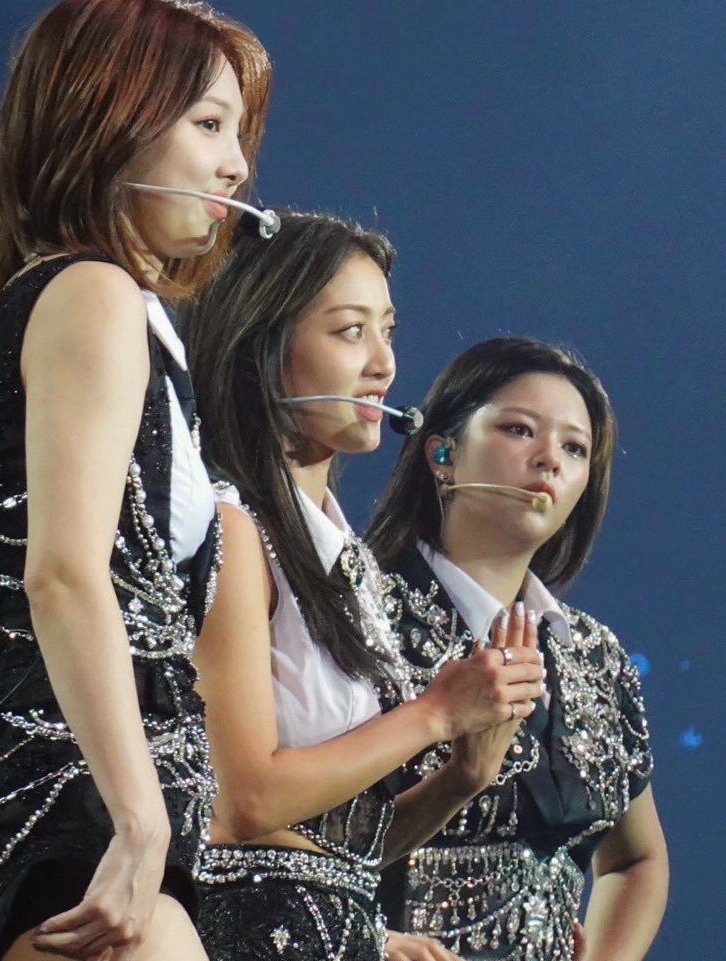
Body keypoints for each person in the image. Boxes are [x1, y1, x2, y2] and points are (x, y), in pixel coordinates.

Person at [0, 0, 271, 961]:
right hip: (76, 814)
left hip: (77, 809)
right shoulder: (91, 295)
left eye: (238, 132)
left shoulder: (109, 313)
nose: (237, 163)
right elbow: (64, 574)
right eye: (208, 123)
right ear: (110, 121)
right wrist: (139, 820)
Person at [178, 213, 546, 960]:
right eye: (350, 332)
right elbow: (245, 805)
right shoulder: (234, 531)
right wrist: (434, 713)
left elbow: (333, 847)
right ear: (261, 349)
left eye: (388, 331)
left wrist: (464, 776)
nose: (384, 364)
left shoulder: (342, 558)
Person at [364, 337, 668, 961]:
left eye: (575, 448)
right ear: (442, 453)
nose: (549, 459)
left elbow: (636, 858)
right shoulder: (353, 614)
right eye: (519, 429)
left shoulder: (594, 655)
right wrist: (363, 940)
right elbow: (264, 831)